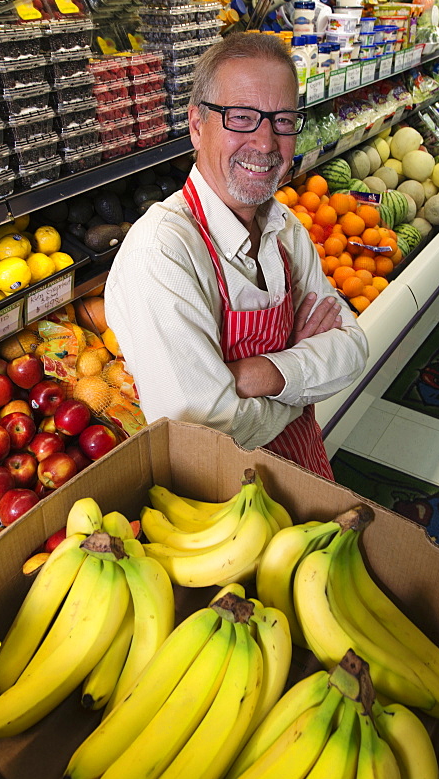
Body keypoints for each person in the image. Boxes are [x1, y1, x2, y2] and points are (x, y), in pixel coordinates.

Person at [104, 32, 368, 478]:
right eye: (242, 117)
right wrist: (301, 384)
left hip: (307, 470)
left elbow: (353, 348)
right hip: (218, 502)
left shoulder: (284, 227)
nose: (266, 143)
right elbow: (205, 429)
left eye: (283, 120)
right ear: (196, 125)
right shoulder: (163, 252)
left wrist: (258, 375)